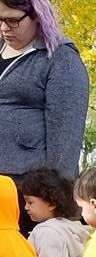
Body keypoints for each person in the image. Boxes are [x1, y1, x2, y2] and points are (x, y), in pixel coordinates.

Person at [0, 0, 89, 237]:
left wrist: (55, 205)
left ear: (37, 16)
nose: (4, 28)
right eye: (0, 20)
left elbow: (66, 139)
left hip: (27, 193)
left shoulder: (61, 59)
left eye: (13, 20)